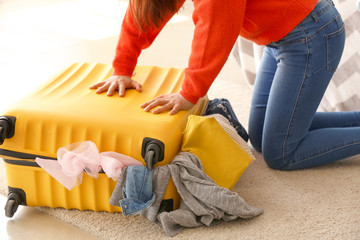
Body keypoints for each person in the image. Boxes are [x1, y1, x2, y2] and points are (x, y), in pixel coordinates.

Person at [90, 0, 359, 171]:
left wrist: (190, 93)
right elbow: (145, 9)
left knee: (281, 154)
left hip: (310, 35)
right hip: (281, 39)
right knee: (263, 139)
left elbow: (214, 33)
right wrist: (122, 69)